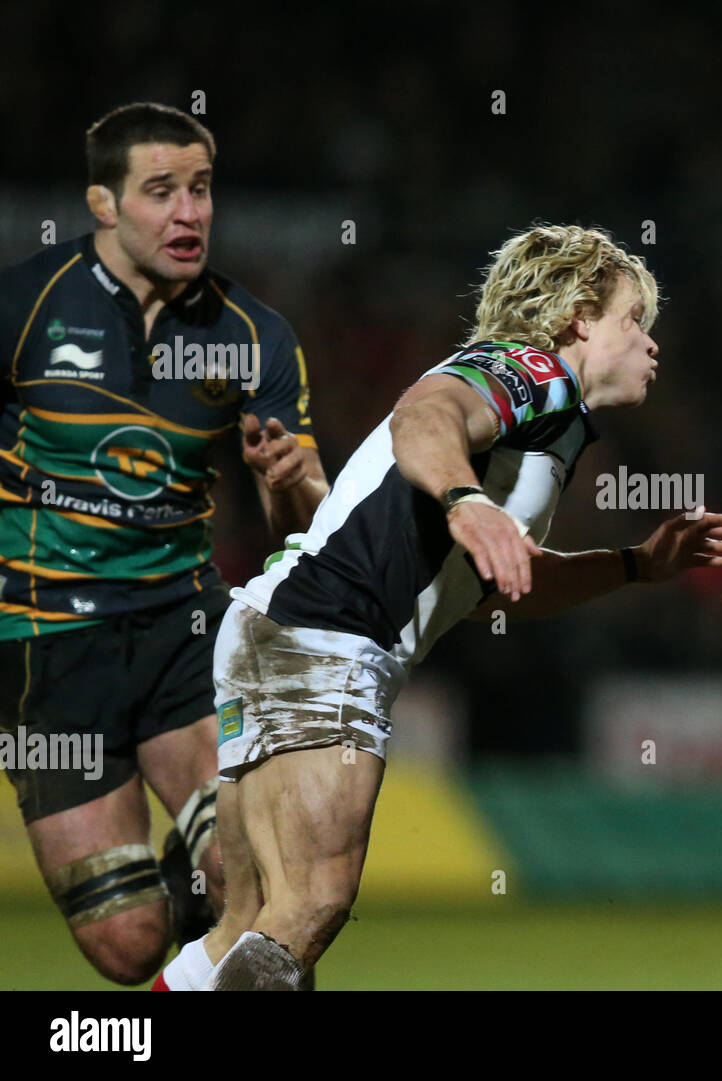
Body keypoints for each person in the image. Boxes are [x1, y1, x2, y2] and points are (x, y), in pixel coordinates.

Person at [154, 223, 722, 990]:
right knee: (310, 904)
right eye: (635, 319)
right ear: (578, 317)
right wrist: (466, 501)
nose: (649, 342)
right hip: (327, 643)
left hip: (282, 633)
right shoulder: (527, 369)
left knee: (250, 920)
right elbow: (423, 415)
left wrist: (633, 564)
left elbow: (497, 588)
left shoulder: (552, 430)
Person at [0, 102, 327, 985]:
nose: (189, 213)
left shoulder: (251, 336)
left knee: (252, 876)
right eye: (161, 192)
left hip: (185, 635)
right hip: (45, 646)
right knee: (128, 942)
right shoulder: (23, 307)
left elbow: (306, 537)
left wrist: (291, 477)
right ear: (104, 204)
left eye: (202, 189)